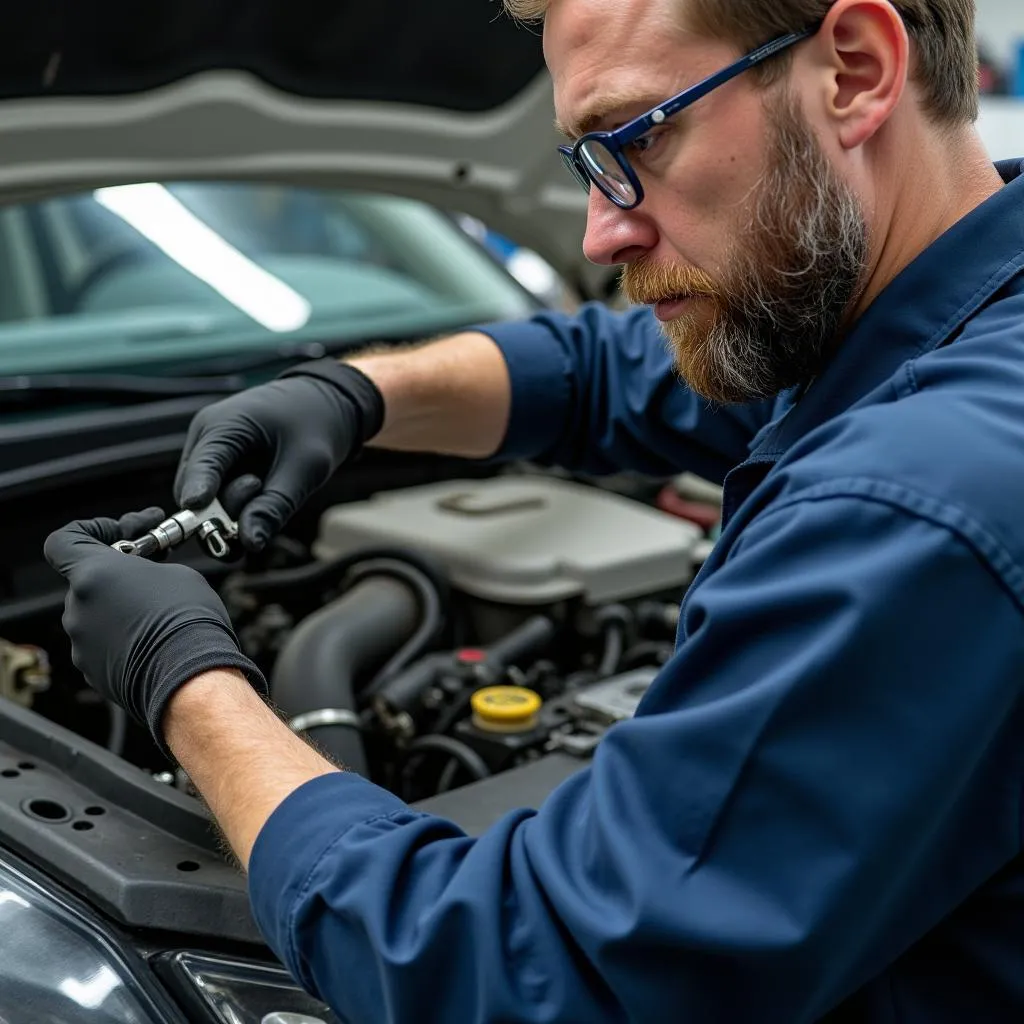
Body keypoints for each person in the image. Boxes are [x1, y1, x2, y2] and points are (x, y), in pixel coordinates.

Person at [42, 0, 1024, 1019]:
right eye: (586, 161)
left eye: (638, 136)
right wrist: (356, 393)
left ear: (855, 72)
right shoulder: (941, 301)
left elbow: (529, 974)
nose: (604, 231)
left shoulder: (918, 500)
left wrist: (188, 686)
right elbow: (614, 369)